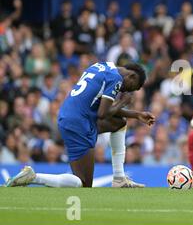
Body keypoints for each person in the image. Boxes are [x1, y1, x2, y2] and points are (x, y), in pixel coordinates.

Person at [4, 62, 155, 188]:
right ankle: (33, 177)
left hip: (70, 117)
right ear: (132, 76)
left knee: (119, 123)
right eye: (131, 87)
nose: (126, 90)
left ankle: (119, 178)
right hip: (79, 123)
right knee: (83, 184)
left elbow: (98, 106)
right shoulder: (115, 79)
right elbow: (103, 113)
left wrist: (136, 114)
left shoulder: (101, 66)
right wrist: (123, 102)